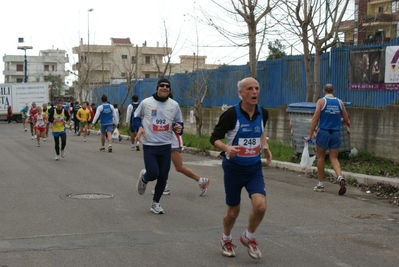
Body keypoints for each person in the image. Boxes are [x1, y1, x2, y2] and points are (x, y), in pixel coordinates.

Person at [210, 77, 272, 259]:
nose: (254, 92)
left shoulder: (263, 112)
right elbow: (214, 138)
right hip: (233, 169)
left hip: (253, 169)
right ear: (241, 93)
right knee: (233, 211)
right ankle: (226, 238)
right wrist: (227, 148)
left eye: (257, 88)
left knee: (261, 207)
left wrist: (265, 146)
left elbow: (260, 131)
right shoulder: (231, 114)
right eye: (249, 89)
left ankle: (249, 236)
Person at [133, 78, 183, 214]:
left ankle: (156, 203)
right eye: (162, 85)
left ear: (170, 89)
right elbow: (136, 118)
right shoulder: (146, 103)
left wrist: (178, 128)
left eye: (167, 86)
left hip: (166, 145)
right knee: (154, 173)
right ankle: (145, 177)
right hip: (150, 144)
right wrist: (139, 127)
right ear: (157, 87)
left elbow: (179, 123)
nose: (164, 88)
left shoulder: (174, 105)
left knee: (163, 176)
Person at [305, 84, 349, 195]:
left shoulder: (321, 102)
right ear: (333, 91)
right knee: (334, 158)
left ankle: (320, 184)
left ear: (323, 91)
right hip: (336, 133)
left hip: (323, 132)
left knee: (321, 157)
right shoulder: (340, 102)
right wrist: (338, 122)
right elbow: (346, 118)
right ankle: (339, 177)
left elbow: (315, 119)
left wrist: (310, 135)